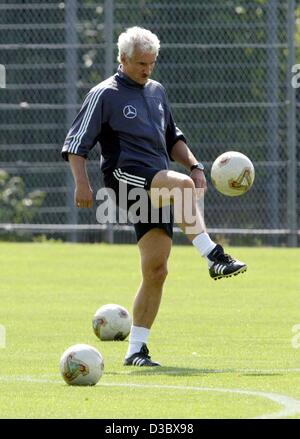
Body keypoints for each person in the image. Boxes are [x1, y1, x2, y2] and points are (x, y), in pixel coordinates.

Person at [62, 26, 247, 367]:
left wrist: (194, 164)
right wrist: (81, 184)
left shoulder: (156, 91)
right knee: (181, 188)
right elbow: (76, 144)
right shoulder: (104, 94)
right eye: (140, 64)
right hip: (124, 177)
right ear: (122, 59)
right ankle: (213, 257)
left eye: (151, 63)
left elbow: (172, 137)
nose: (147, 70)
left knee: (156, 270)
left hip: (157, 182)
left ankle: (136, 351)